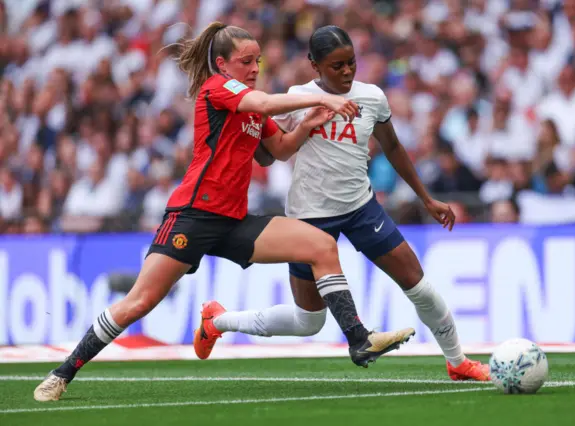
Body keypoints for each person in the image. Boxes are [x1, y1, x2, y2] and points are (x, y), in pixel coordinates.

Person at [33, 22, 415, 402]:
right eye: (246, 61)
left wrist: (308, 126)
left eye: (258, 62)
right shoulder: (217, 89)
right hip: (193, 216)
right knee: (140, 302)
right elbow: (264, 102)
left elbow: (279, 151)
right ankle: (63, 372)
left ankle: (359, 340)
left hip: (233, 221)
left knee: (319, 246)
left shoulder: (250, 104)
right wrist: (321, 100)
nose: (254, 69)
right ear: (222, 64)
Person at [202, 26, 489, 381]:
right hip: (308, 217)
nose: (347, 72)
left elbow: (394, 147)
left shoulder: (372, 97)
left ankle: (458, 361)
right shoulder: (297, 98)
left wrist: (426, 198)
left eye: (351, 63)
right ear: (314, 66)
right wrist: (253, 122)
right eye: (336, 66)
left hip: (360, 208)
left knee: (417, 283)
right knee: (308, 321)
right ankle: (218, 321)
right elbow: (268, 157)